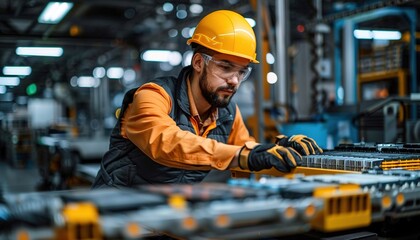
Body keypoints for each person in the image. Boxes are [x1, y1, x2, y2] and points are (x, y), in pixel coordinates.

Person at [91, 10, 322, 189]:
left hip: (165, 218)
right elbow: (167, 143)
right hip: (113, 218)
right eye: (225, 67)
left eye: (242, 72)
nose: (234, 81)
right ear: (199, 63)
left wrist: (275, 150)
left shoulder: (228, 113)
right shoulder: (153, 96)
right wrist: (245, 155)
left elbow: (244, 150)